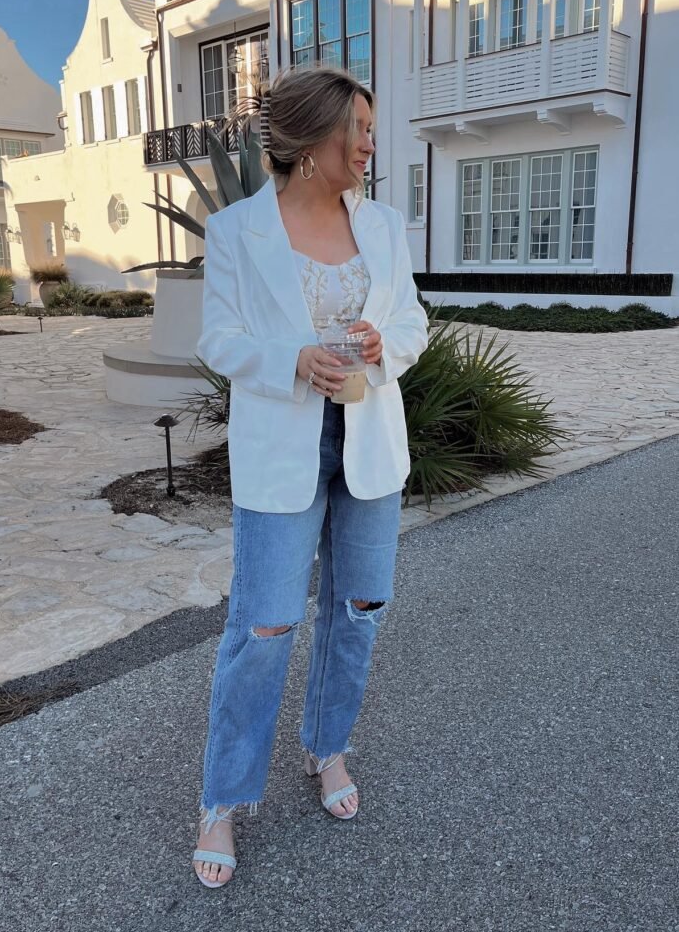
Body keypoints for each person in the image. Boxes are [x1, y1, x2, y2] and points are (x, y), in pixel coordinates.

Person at [192, 66, 428, 888]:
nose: (368, 146)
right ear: (311, 138)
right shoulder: (236, 231)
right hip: (279, 448)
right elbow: (217, 340)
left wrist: (383, 345)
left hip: (370, 444)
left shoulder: (384, 226)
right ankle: (223, 797)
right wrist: (290, 359)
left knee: (356, 611)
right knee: (263, 626)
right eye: (357, 130)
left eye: (370, 130)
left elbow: (412, 320)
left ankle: (327, 748)